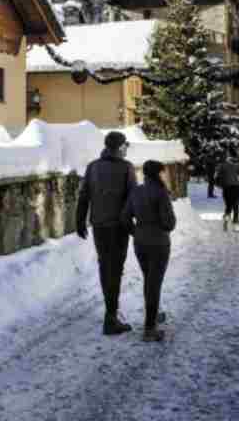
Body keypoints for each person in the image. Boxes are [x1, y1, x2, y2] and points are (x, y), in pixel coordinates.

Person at [76, 130, 137, 335]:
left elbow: (84, 196)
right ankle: (111, 317)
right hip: (119, 227)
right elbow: (133, 199)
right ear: (119, 147)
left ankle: (110, 313)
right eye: (125, 145)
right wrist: (136, 226)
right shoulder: (126, 168)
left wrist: (79, 221)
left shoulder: (93, 167)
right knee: (116, 269)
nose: (126, 149)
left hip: (99, 226)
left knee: (105, 267)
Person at [122, 160, 177, 342]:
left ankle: (153, 316)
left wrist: (137, 232)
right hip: (159, 244)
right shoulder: (161, 192)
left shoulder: (136, 191)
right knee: (154, 284)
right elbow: (169, 223)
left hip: (140, 243)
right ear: (157, 174)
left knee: (149, 280)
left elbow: (125, 218)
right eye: (162, 172)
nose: (164, 175)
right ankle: (149, 329)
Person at [215, 152, 239, 231]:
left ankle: (226, 217)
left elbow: (216, 179)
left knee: (228, 206)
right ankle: (236, 225)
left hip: (226, 189)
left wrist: (221, 186)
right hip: (236, 188)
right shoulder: (237, 166)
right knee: (236, 206)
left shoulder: (222, 166)